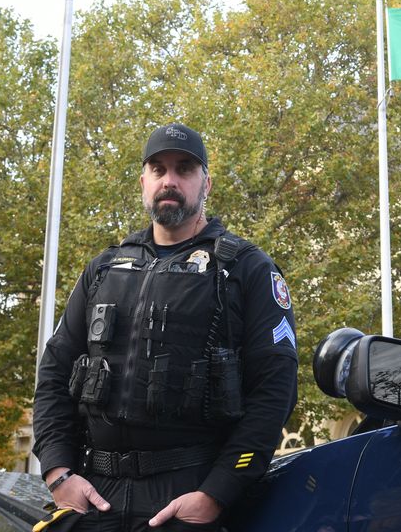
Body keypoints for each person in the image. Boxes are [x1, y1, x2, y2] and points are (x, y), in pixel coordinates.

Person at [32, 123, 298, 531]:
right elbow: (54, 373)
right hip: (91, 498)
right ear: (143, 182)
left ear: (205, 183)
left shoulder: (247, 268)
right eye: (158, 169)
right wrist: (57, 473)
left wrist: (217, 493)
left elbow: (275, 390)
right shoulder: (104, 269)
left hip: (185, 498)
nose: (169, 180)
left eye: (184, 169)